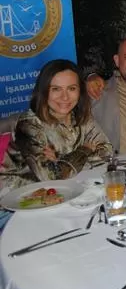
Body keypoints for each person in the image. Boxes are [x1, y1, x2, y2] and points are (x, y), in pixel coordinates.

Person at [1, 59, 113, 196]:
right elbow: (51, 177)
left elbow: (106, 153)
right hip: (18, 197)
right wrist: (85, 150)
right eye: (56, 89)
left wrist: (61, 160)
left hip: (65, 190)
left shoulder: (81, 116)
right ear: (44, 91)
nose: (65, 97)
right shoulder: (29, 125)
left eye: (71, 88)